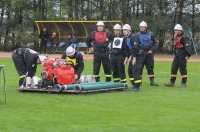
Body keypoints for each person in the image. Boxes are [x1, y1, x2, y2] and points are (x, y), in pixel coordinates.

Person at [135, 21, 159, 86]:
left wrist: (152, 50)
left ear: (146, 27)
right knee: (140, 68)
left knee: (150, 67)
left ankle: (152, 81)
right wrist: (139, 51)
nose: (142, 28)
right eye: (141, 27)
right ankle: (139, 81)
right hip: (141, 54)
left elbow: (155, 44)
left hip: (149, 53)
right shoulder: (137, 35)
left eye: (143, 27)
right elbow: (136, 45)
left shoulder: (151, 34)